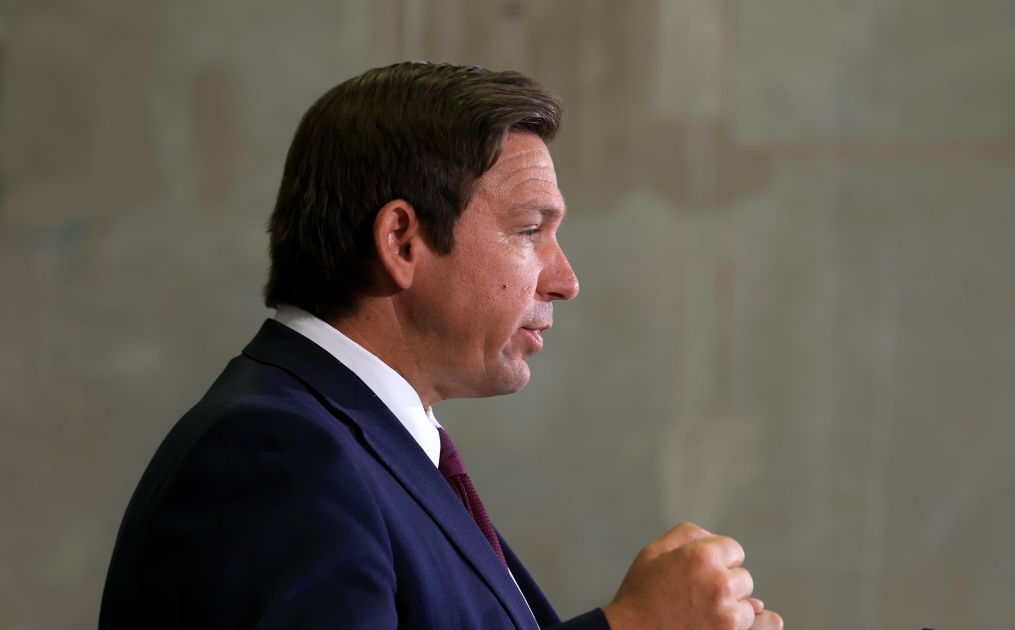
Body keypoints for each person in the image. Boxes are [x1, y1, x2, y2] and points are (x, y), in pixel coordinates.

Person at [100, 61, 783, 630]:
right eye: (529, 231)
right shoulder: (277, 455)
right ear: (403, 241)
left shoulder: (355, 445)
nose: (566, 280)